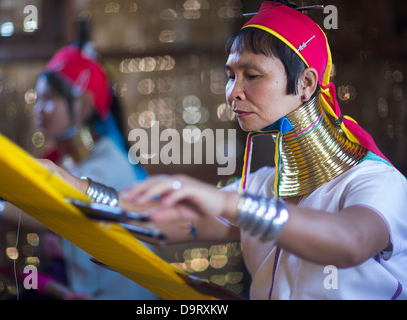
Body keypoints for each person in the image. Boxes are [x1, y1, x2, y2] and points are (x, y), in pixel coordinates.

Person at [42, 1, 407, 300]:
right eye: (231, 75)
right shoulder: (264, 185)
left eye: (252, 76)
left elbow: (349, 242)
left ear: (306, 83)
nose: (233, 92)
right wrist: (67, 185)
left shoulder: (376, 183)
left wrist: (229, 204)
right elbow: (165, 219)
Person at [0, 43, 156, 300]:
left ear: (83, 105)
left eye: (49, 98)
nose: (38, 109)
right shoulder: (69, 164)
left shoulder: (107, 164)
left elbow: (58, 215)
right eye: (38, 98)